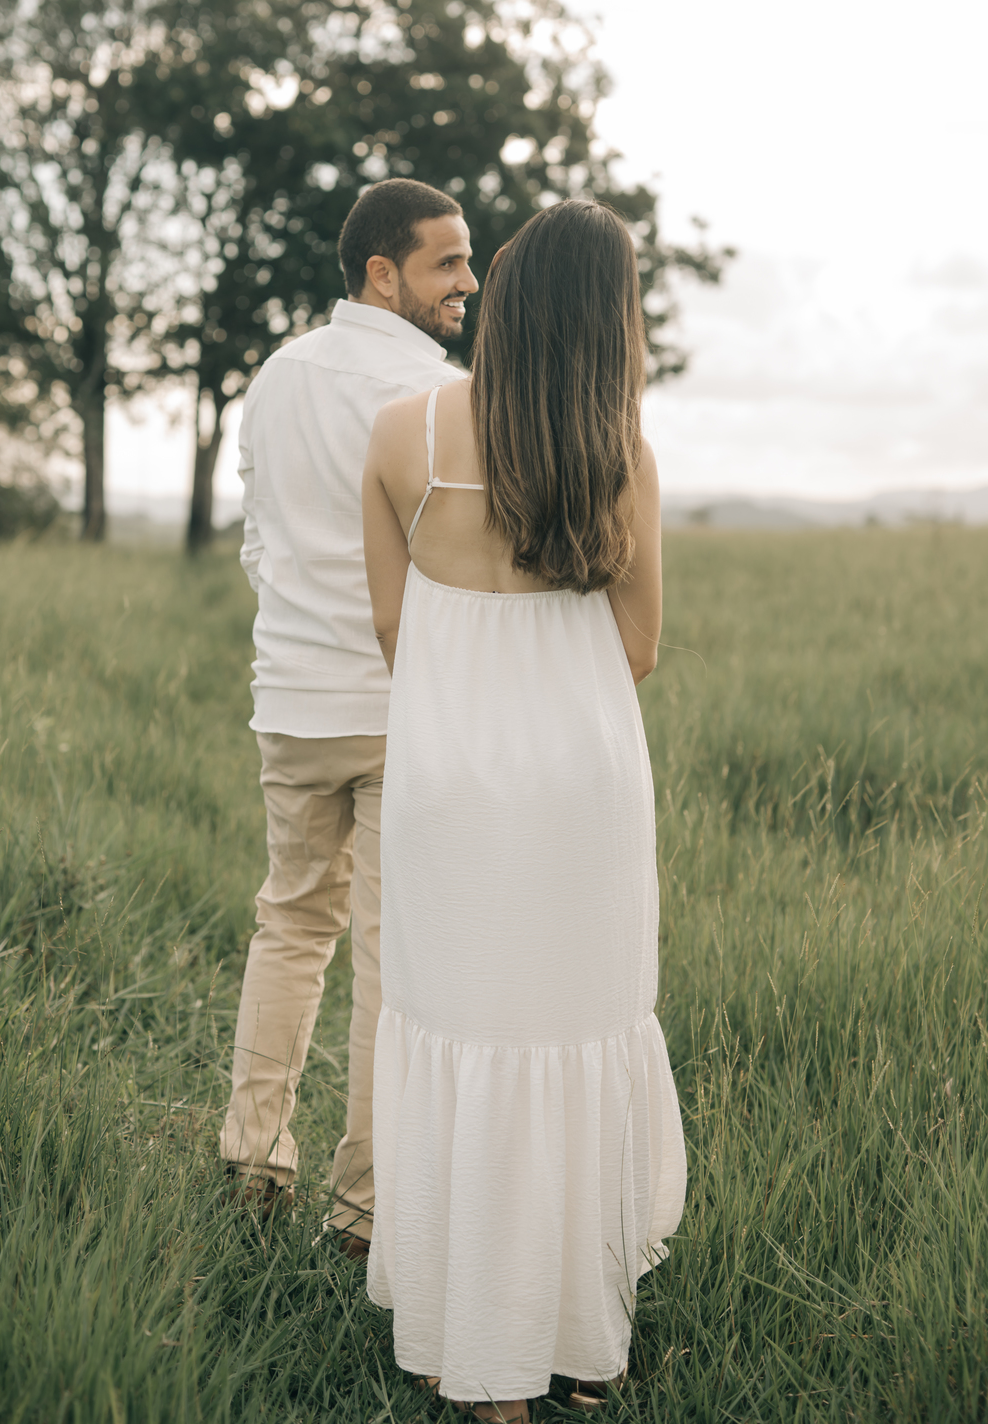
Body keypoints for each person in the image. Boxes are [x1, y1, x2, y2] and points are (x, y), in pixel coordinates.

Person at [361, 200, 687, 1418]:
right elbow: (637, 648)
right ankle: (575, 1345)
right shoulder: (621, 455)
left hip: (446, 787)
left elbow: (393, 629)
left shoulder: (401, 433)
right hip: (582, 789)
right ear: (611, 322)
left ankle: (464, 1346)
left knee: (456, 1031)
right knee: (577, 1035)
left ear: (504, 294)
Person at [220, 177, 479, 1255]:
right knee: (385, 959)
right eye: (447, 262)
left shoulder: (276, 376)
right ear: (382, 272)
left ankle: (252, 1162)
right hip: (395, 706)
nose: (469, 281)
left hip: (289, 698)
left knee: (288, 923)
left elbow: (257, 540)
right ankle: (362, 1210)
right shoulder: (447, 397)